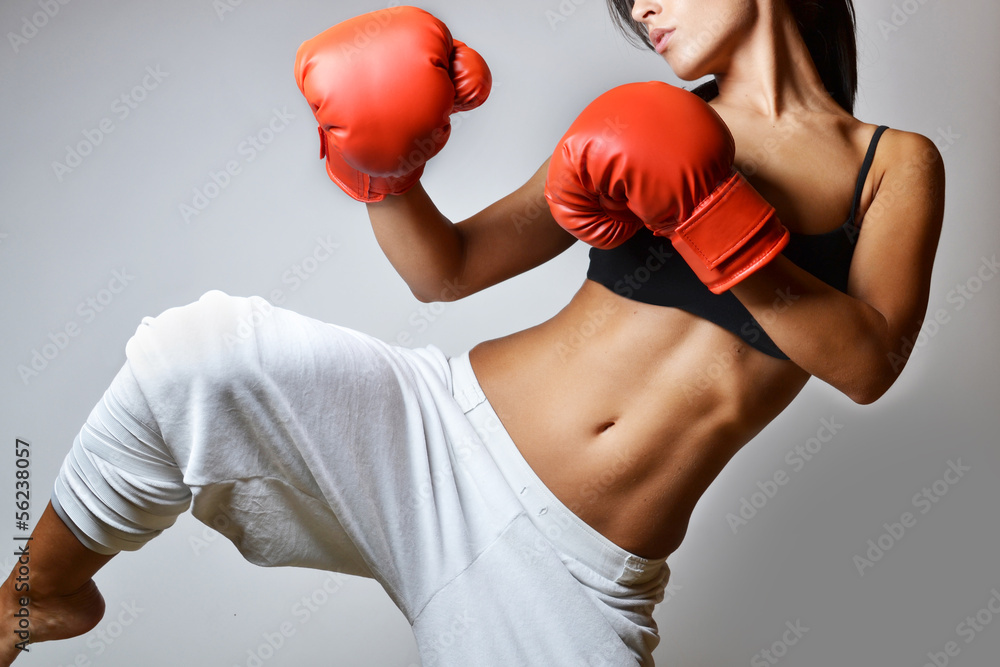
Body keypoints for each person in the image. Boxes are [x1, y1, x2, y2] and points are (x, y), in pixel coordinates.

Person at [0, 1, 945, 665]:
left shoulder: (890, 164)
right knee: (194, 354)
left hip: (576, 574)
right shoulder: (641, 122)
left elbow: (867, 363)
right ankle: (40, 592)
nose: (644, 12)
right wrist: (381, 166)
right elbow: (444, 270)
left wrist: (712, 216)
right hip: (436, 434)